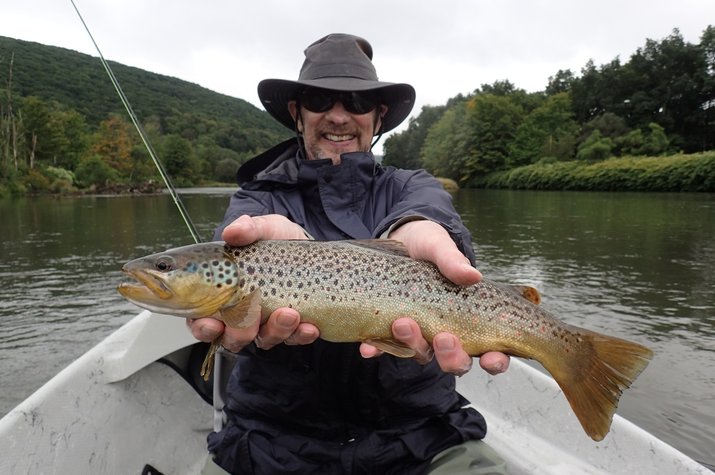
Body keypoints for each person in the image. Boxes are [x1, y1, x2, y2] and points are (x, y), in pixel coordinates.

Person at [188, 33, 510, 475]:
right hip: (270, 443)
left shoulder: (412, 186)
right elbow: (228, 261)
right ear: (297, 113)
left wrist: (417, 229)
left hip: (420, 437)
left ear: (377, 118)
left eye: (357, 101)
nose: (338, 116)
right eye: (321, 99)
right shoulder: (256, 200)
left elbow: (431, 217)